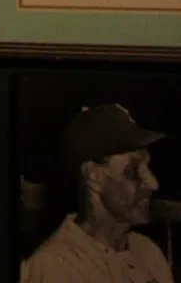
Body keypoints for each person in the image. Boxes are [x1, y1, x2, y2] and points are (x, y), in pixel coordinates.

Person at [22, 102, 171, 281]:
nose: (153, 184)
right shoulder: (55, 267)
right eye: (133, 171)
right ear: (94, 176)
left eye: (147, 167)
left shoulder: (147, 252)